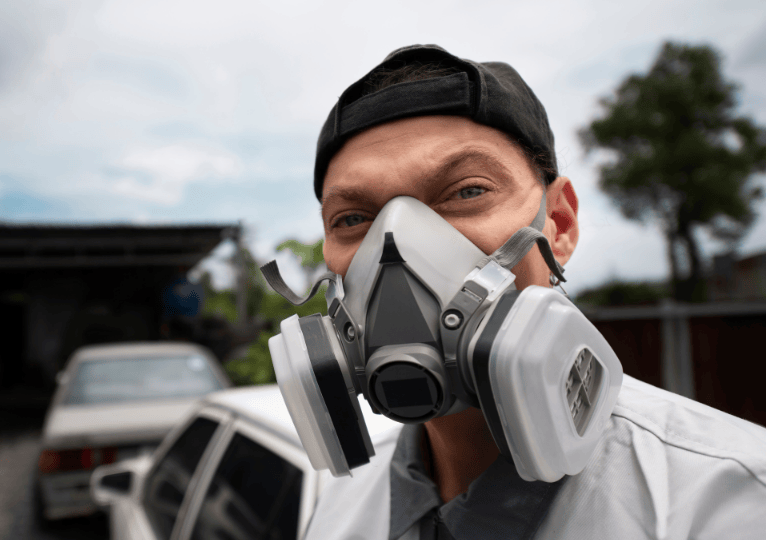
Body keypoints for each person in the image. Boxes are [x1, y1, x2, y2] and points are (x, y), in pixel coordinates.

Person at [286, 44, 766, 539]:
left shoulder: (730, 501)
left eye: (467, 191)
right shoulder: (341, 506)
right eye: (353, 219)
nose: (394, 249)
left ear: (558, 223)